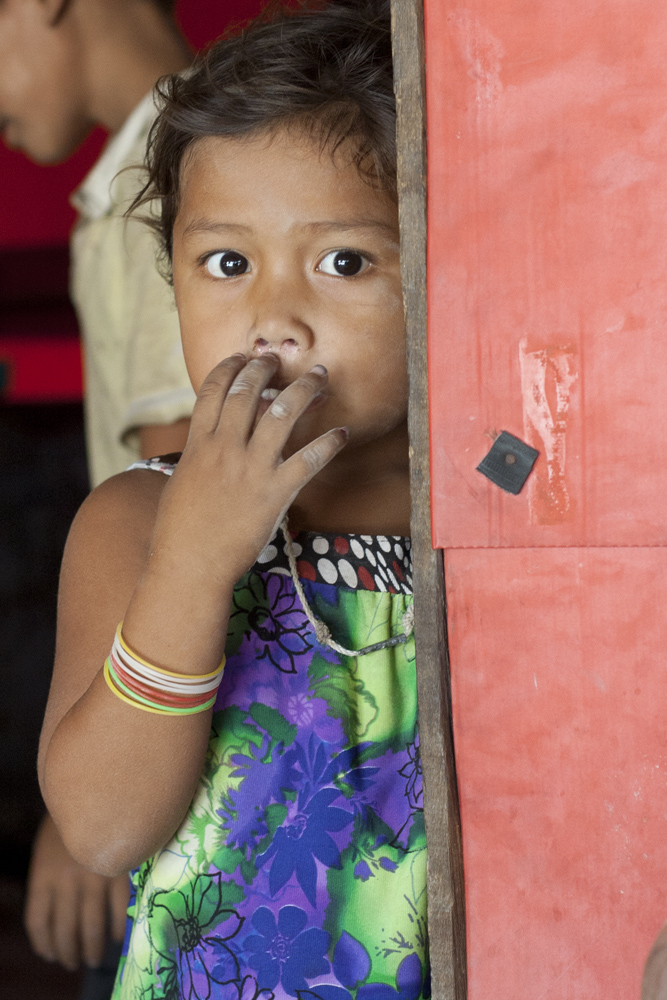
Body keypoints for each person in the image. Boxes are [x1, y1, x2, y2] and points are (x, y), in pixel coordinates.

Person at [38, 2, 428, 998]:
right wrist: (196, 560)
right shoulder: (134, 524)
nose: (272, 318)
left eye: (344, 261)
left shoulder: (494, 525)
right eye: (225, 263)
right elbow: (103, 828)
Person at [0, 0, 196, 983]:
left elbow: (177, 495)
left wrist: (80, 801)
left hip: (166, 735)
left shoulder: (165, 178)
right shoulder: (140, 170)